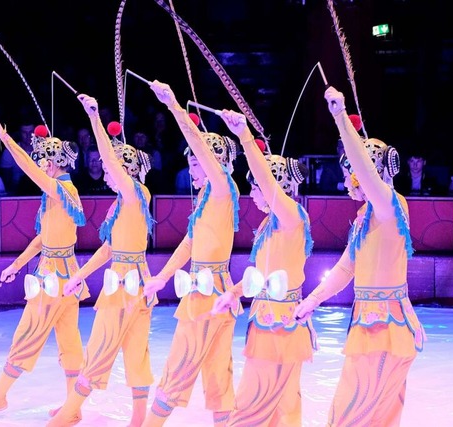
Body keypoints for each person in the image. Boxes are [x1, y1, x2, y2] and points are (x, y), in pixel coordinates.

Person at [293, 86, 426, 427]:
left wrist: (341, 118)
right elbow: (345, 268)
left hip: (386, 331)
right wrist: (312, 300)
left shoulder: (389, 206)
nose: (347, 182)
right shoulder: (367, 215)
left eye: (350, 171)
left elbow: (366, 172)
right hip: (371, 328)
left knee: (351, 417)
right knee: (364, 418)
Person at [0, 120, 89, 422]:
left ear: (56, 162)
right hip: (62, 273)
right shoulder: (58, 192)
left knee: (27, 335)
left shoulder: (61, 188)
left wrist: (5, 136)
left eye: (45, 160)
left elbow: (27, 169)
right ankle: (72, 408)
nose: (41, 165)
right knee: (69, 339)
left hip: (55, 278)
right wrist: (16, 265)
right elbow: (42, 239)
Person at [48, 94, 155, 427]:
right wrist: (79, 275)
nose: (105, 172)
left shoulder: (137, 194)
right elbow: (108, 249)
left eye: (112, 169)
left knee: (102, 348)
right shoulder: (122, 204)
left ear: (125, 171)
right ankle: (132, 420)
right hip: (129, 280)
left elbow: (109, 160)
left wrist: (94, 118)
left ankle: (71, 412)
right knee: (132, 351)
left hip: (127, 285)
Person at [141, 80, 241, 427]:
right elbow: (189, 242)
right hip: (209, 291)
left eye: (198, 164)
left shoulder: (223, 190)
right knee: (216, 372)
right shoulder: (207, 196)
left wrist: (173, 107)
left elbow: (200, 147)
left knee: (182, 366)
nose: (193, 170)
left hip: (209, 294)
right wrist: (161, 277)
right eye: (193, 165)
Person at [211, 109, 316, 426]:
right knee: (277, 403)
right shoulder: (271, 225)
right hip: (269, 319)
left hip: (281, 325)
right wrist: (233, 293)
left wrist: (244, 136)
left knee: (266, 402)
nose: (252, 193)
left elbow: (270, 187)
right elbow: (260, 276)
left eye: (256, 187)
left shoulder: (291, 217)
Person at [0, 122, 34, 194]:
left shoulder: (43, 150)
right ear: (19, 134)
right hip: (16, 192)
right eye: (24, 133)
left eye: (31, 132)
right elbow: (7, 181)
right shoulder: (9, 151)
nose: (28, 136)